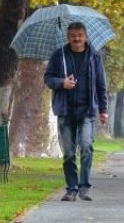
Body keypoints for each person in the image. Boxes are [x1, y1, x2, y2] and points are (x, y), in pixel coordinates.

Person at [44, 21, 109, 202]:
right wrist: (61, 83)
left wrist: (103, 110)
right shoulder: (59, 56)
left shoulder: (94, 57)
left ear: (85, 36)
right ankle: (71, 188)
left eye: (79, 35)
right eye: (73, 35)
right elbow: (48, 79)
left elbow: (101, 85)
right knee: (69, 152)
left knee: (86, 146)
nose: (76, 38)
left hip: (87, 110)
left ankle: (84, 186)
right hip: (65, 110)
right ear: (68, 37)